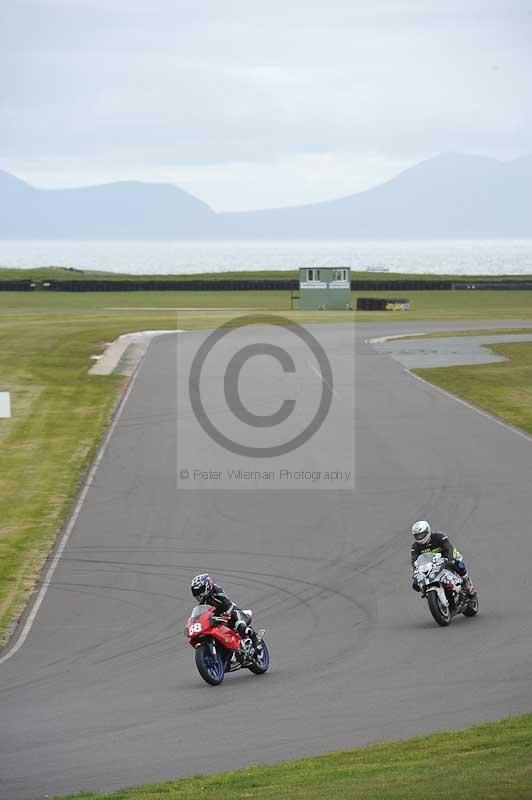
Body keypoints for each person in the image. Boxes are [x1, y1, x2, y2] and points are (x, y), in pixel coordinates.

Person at [190, 574, 260, 650]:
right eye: (195, 591)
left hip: (232, 612)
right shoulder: (203, 603)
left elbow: (228, 604)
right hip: (219, 619)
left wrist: (226, 614)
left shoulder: (216, 591)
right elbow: (202, 615)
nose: (197, 593)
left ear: (207, 586)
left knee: (241, 626)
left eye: (199, 590)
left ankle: (256, 644)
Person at [410, 520, 475, 594]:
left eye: (421, 535)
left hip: (447, 559)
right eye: (417, 535)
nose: (419, 537)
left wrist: (451, 560)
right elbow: (414, 561)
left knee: (459, 565)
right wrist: (415, 575)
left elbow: (449, 548)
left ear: (427, 531)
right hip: (431, 565)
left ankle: (467, 582)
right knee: (418, 585)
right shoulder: (415, 546)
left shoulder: (439, 537)